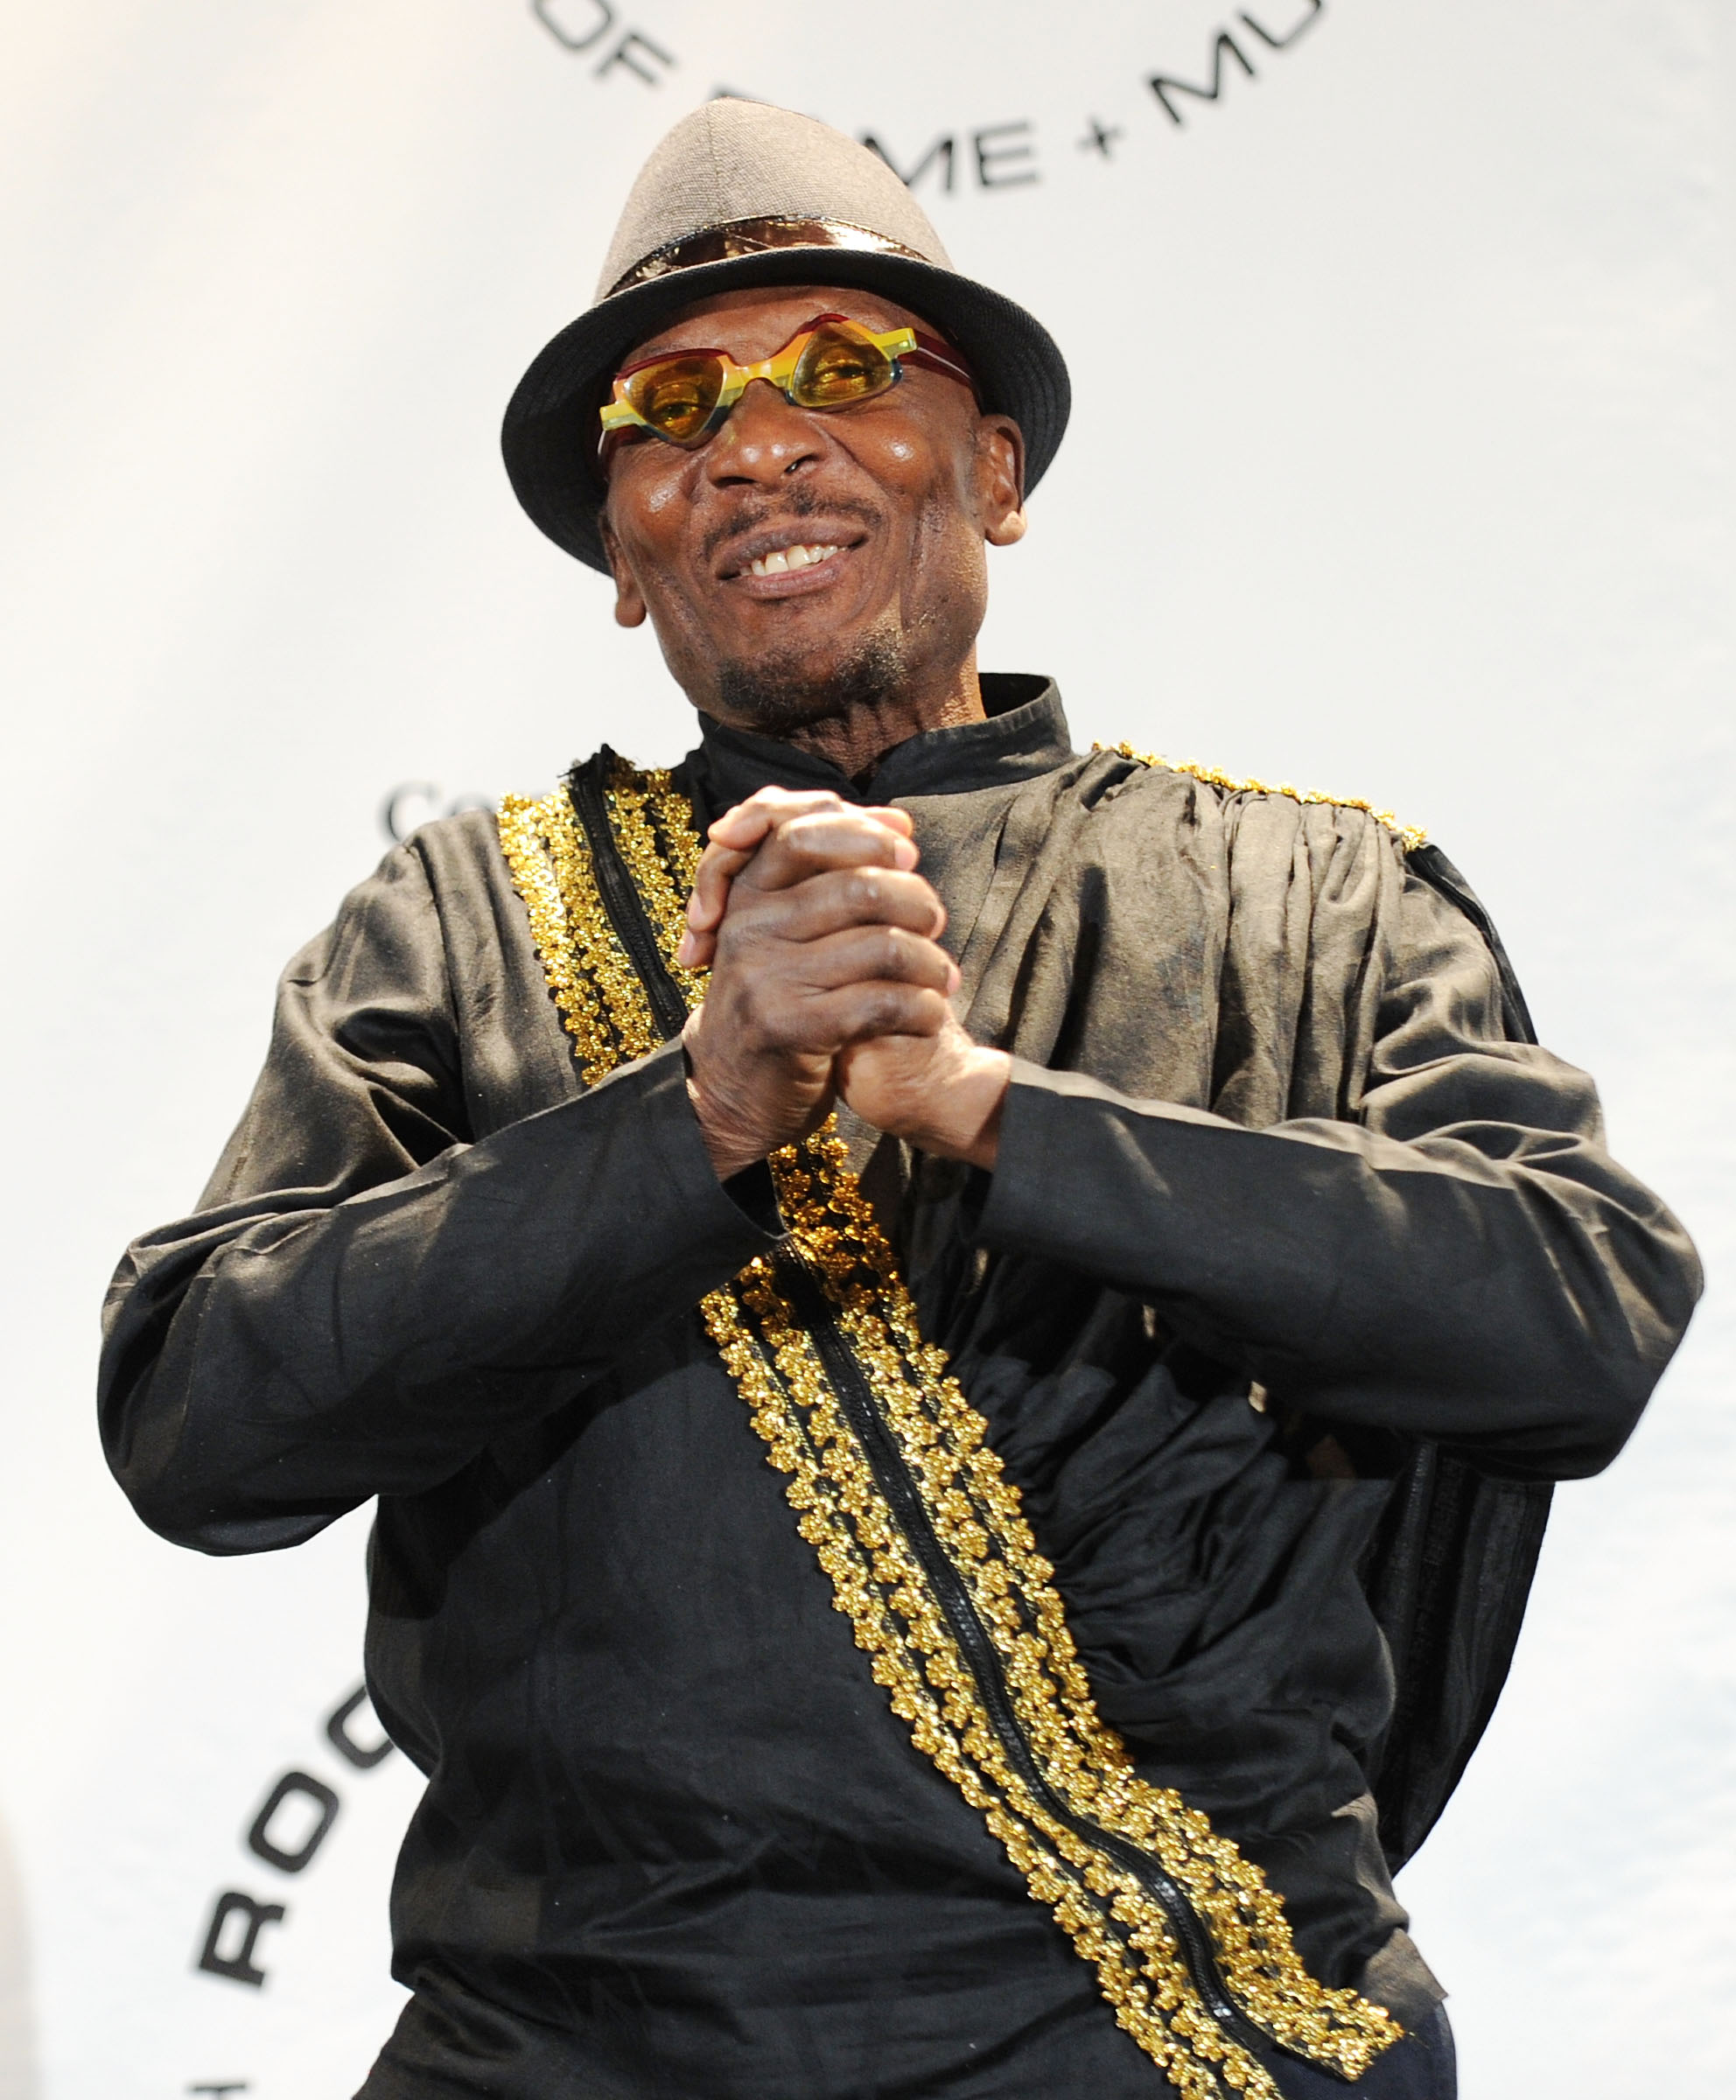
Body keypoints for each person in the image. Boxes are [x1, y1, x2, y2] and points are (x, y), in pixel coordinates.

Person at [99, 100, 1700, 2100]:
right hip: (577, 2047)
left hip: (1183, 2032)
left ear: (996, 471)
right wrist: (690, 1114)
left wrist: (985, 1108)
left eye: (844, 374)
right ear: (623, 549)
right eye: (669, 408)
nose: (756, 439)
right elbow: (194, 1421)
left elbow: (1572, 1318)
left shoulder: (1306, 893)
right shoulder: (454, 923)